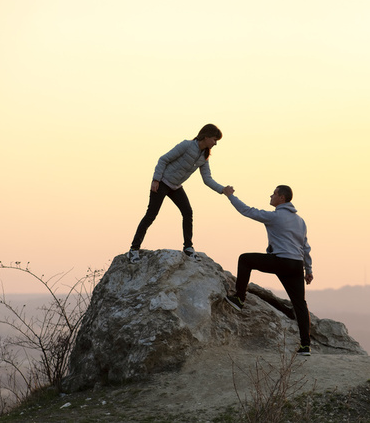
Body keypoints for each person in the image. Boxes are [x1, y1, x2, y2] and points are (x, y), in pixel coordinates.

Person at [222, 184, 314, 356]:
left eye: (274, 194)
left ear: (282, 198)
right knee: (300, 304)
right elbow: (306, 247)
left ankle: (239, 298)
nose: (270, 196)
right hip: (296, 265)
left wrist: (230, 196)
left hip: (281, 261)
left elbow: (248, 211)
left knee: (245, 259)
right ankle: (305, 346)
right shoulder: (300, 221)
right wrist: (308, 270)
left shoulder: (276, 216)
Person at [129, 124, 226, 263]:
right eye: (214, 139)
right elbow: (163, 159)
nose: (215, 143)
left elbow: (207, 179)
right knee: (151, 214)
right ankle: (133, 250)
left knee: (187, 212)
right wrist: (156, 180)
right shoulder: (186, 145)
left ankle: (188, 248)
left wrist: (222, 189)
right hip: (162, 181)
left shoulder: (204, 156)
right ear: (206, 137)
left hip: (175, 186)